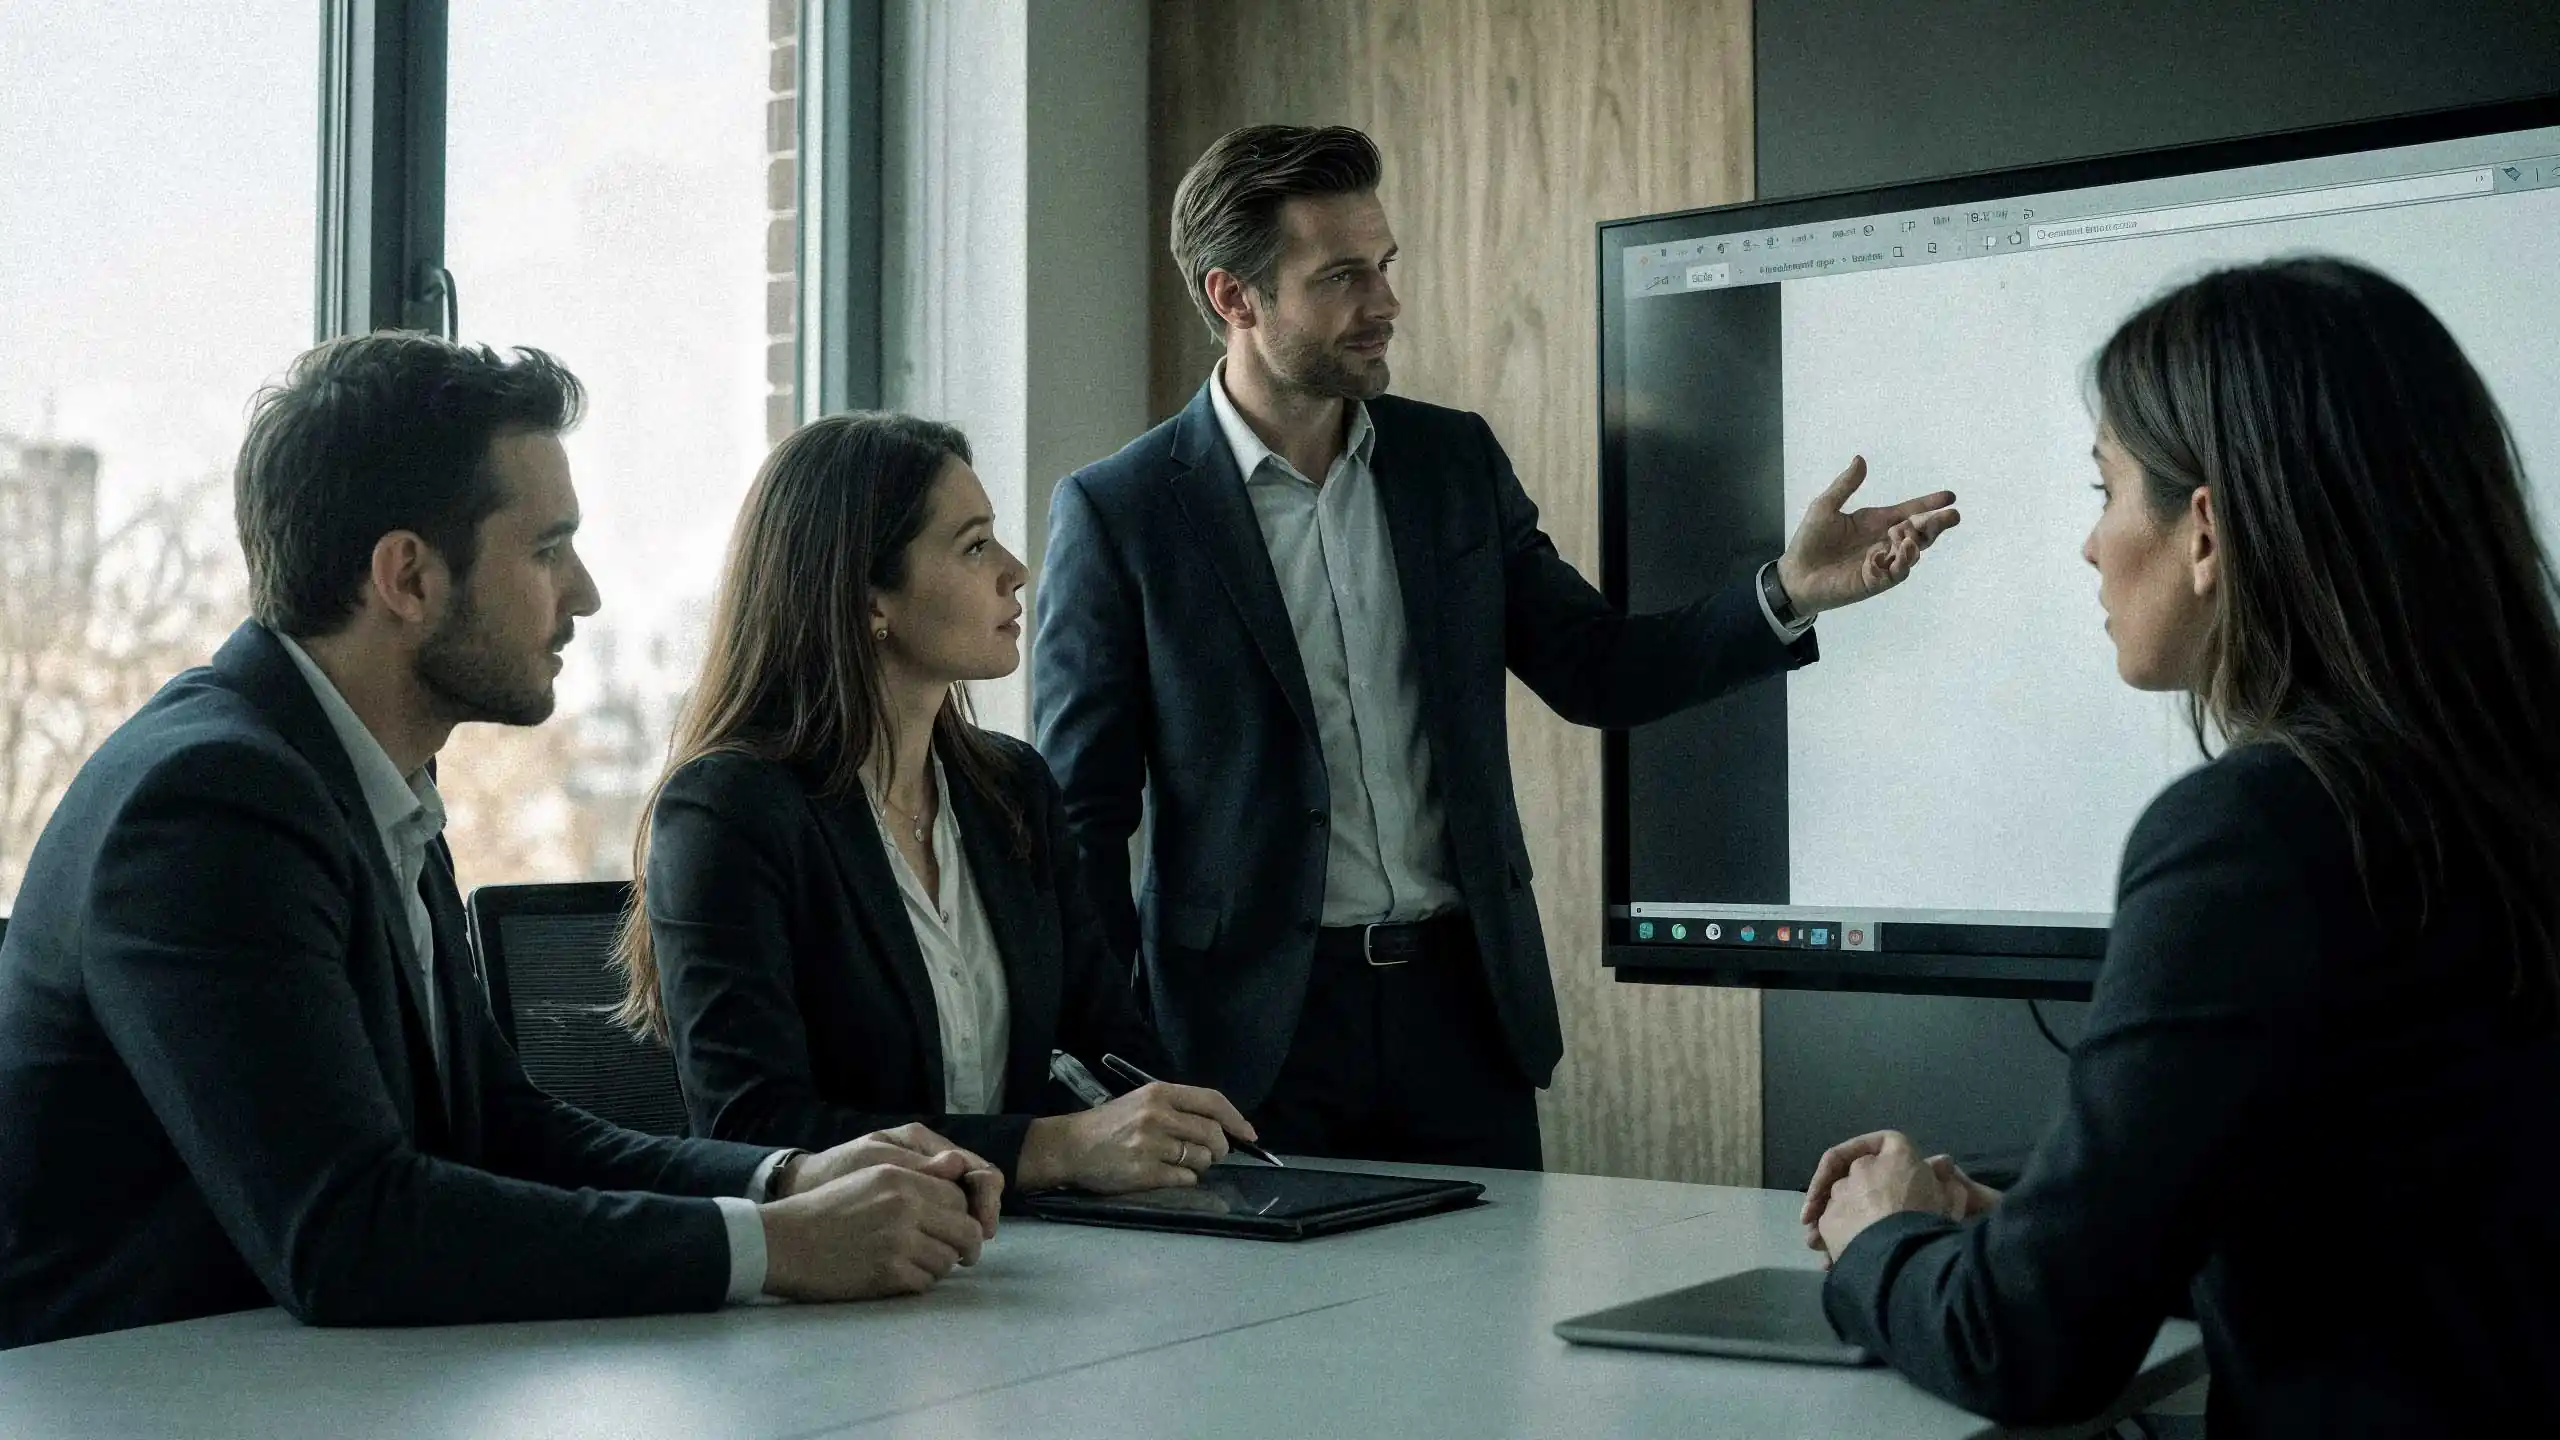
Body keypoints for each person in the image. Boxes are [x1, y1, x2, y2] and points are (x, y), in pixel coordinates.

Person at [0, 335, 1002, 1351]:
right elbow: (350, 1232)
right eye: (547, 547)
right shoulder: (210, 804)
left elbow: (500, 1127)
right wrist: (775, 1248)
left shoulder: (368, 777)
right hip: (121, 1394)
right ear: (407, 576)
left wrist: (783, 1177)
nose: (585, 591)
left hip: (296, 1381)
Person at [1032, 124, 1961, 1169]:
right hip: (1242, 1050)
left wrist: (1787, 592)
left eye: (1383, 265)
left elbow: (1596, 667)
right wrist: (1121, 1066)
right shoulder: (1119, 513)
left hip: (1462, 1021)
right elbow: (1079, 823)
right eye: (1342, 276)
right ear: (1233, 298)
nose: (1385, 303)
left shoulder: (1450, 463)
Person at [1801, 258, 2560, 1433]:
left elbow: (2023, 1350)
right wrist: (2048, 1229)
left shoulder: (2257, 833)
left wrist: (1879, 1240)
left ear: (2203, 528)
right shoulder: (2505, 788)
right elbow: (2407, 1234)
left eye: (2103, 491)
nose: (2092, 548)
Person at [616, 413, 1257, 1196]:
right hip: (835, 1279)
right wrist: (1050, 1148)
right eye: (975, 545)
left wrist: (1195, 1129)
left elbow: (1111, 1044)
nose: (1016, 570)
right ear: (867, 598)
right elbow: (755, 1129)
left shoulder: (1012, 792)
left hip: (1035, 1259)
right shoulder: (727, 813)